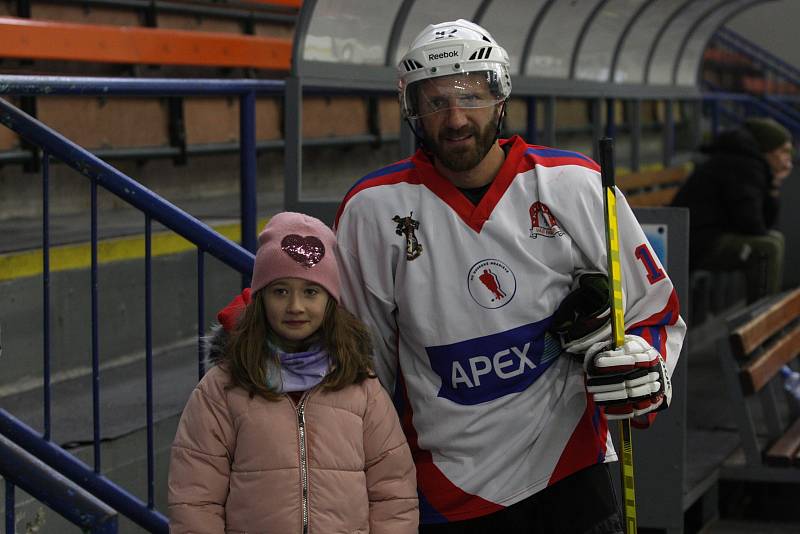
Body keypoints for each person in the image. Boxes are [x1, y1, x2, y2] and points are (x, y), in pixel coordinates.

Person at [334, 19, 686, 533]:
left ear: (499, 98)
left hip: (569, 468)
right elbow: (363, 363)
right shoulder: (372, 210)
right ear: (412, 109)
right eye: (436, 102)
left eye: (470, 96)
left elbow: (654, 309)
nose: (455, 119)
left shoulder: (575, 184)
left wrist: (642, 359)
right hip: (442, 487)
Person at [168, 212, 419, 533]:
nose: (296, 306)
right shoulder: (222, 388)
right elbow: (195, 498)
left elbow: (392, 492)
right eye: (280, 291)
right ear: (260, 299)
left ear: (331, 301)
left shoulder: (360, 385)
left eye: (311, 292)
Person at [672, 117, 793, 303]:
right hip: (696, 241)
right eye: (783, 151)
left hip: (706, 235)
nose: (788, 159)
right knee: (767, 248)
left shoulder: (747, 161)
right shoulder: (742, 165)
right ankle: (761, 318)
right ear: (768, 150)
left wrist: (773, 185)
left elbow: (762, 225)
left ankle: (764, 312)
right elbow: (752, 225)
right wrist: (771, 185)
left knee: (774, 238)